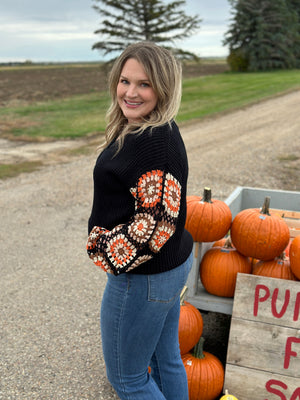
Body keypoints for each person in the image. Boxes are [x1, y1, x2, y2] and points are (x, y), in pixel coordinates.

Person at [86, 41, 194, 400]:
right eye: (125, 81)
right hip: (165, 272)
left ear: (163, 88)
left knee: (129, 380)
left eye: (144, 84)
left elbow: (155, 228)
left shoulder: (151, 143)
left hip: (143, 280)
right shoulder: (151, 129)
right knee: (166, 363)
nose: (130, 92)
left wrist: (101, 248)